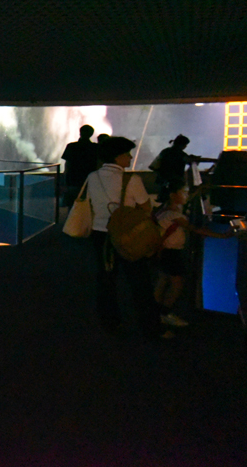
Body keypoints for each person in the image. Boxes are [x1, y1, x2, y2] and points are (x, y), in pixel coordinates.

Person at [86, 136, 165, 338]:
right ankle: (150, 327)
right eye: (127, 154)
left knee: (106, 280)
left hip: (100, 235)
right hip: (128, 235)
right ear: (117, 156)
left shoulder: (92, 177)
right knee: (140, 282)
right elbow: (146, 207)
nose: (130, 158)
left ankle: (110, 323)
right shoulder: (131, 180)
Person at [154, 178, 234, 328]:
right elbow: (195, 229)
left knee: (162, 281)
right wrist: (223, 235)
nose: (186, 195)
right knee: (177, 284)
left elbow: (188, 201)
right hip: (172, 253)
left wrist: (198, 190)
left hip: (163, 251)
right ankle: (165, 314)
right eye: (183, 192)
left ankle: (154, 314)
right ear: (173, 195)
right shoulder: (174, 215)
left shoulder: (163, 211)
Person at [61, 125, 101, 206]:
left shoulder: (71, 146)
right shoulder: (95, 147)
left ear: (80, 132)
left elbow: (67, 165)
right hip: (89, 181)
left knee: (73, 206)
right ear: (91, 134)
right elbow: (98, 165)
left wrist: (65, 182)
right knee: (88, 206)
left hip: (73, 180)